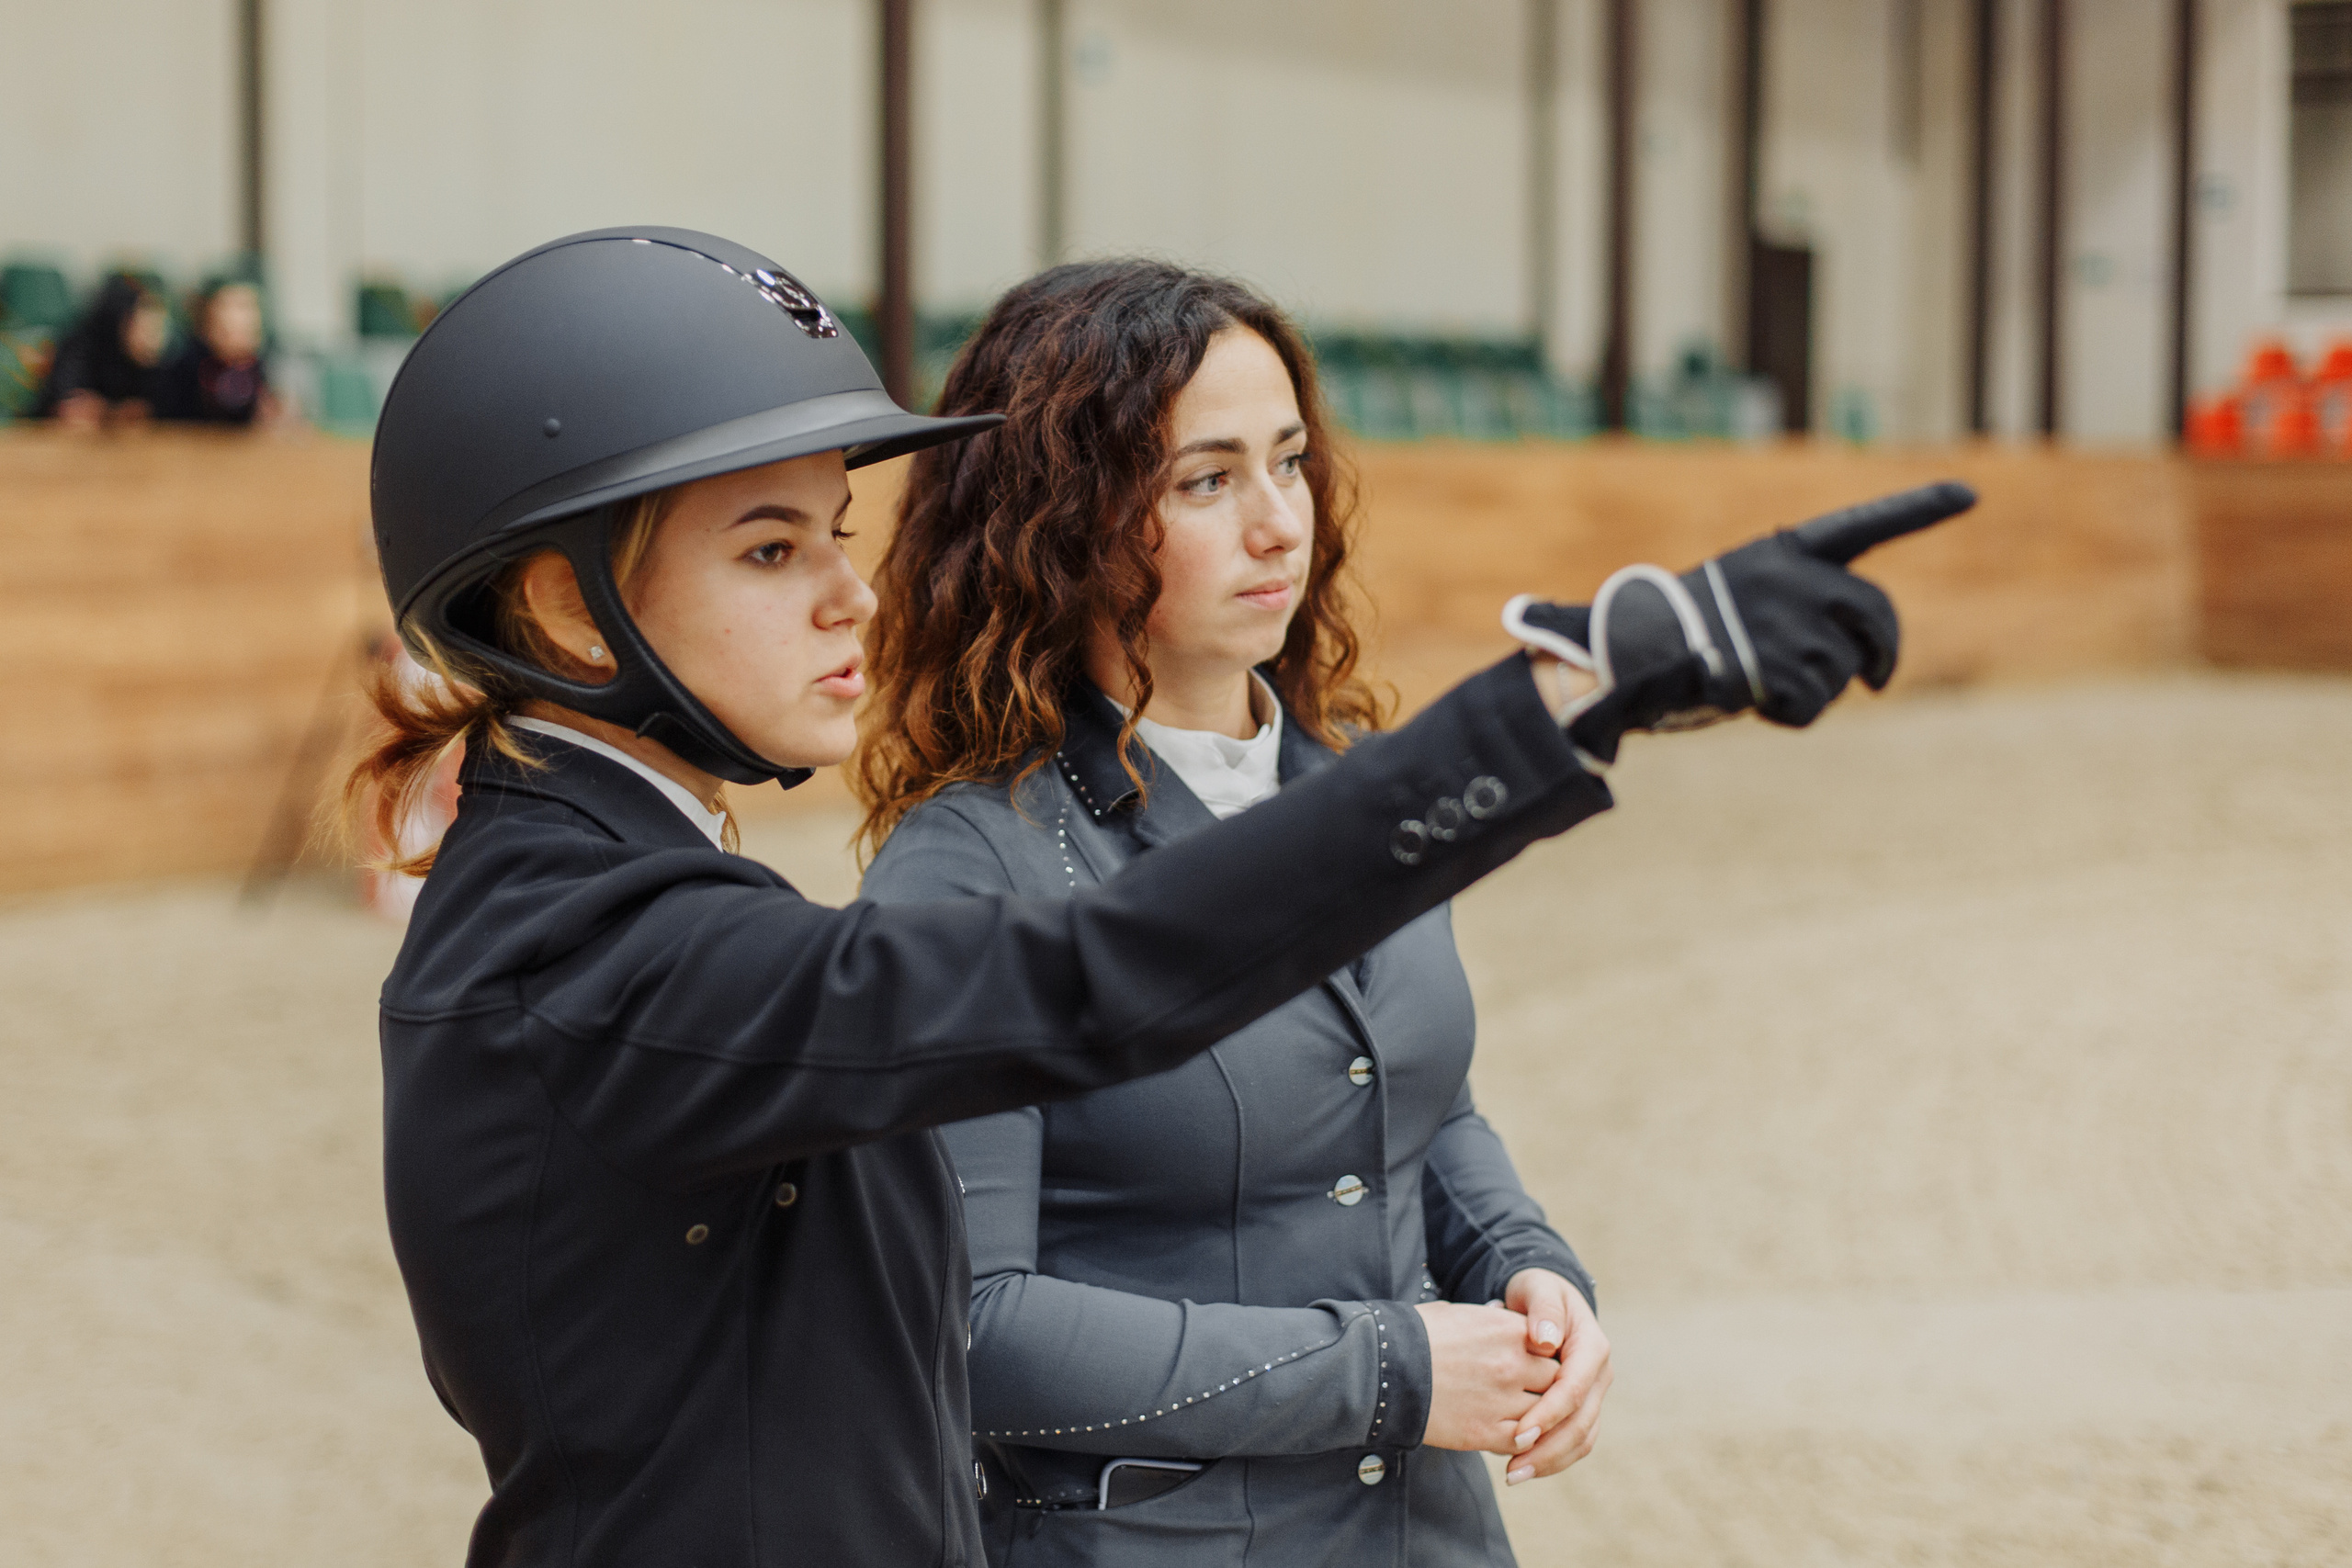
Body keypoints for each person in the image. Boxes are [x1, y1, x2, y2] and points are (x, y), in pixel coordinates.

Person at [354, 225, 1955, 1568]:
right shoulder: (611, 950)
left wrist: (1518, 1261)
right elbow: (1093, 988)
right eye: (774, 553)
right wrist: (1571, 698)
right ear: (568, 606)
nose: (854, 590)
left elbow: (1409, 1099)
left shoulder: (630, 887)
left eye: (836, 533)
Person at [852, 260, 1598, 1565]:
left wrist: (1529, 1269)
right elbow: (968, 1326)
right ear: (1063, 521)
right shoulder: (965, 871)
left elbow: (1425, 1106)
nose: (1277, 525)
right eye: (1206, 480)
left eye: (1290, 463)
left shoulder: (1367, 790)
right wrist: (1389, 1367)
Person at [34, 272, 169, 427]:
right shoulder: (80, 347)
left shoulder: (151, 360)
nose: (151, 334)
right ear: (121, 318)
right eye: (143, 325)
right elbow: (67, 408)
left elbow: (152, 410)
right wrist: (110, 412)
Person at [156, 277, 276, 425]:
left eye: (251, 307)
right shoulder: (184, 365)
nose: (248, 317)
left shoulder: (262, 365)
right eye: (237, 306)